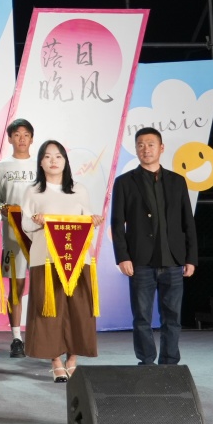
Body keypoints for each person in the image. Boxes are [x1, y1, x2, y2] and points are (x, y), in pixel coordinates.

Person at [110, 127, 198, 366]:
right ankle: (146, 362)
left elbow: (187, 222)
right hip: (140, 261)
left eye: (150, 144)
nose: (145, 149)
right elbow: (117, 224)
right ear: (135, 149)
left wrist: (191, 258)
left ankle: (169, 363)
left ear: (161, 148)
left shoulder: (177, 181)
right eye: (140, 145)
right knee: (142, 317)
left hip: (173, 259)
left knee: (173, 317)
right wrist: (122, 257)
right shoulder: (124, 182)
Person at [21, 141, 101, 382]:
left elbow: (86, 221)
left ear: (65, 161)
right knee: (50, 309)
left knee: (78, 309)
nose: (53, 161)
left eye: (58, 156)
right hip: (45, 259)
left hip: (77, 259)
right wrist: (37, 220)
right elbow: (25, 225)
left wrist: (93, 220)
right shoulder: (33, 191)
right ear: (40, 162)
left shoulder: (79, 190)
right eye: (47, 156)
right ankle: (55, 360)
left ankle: (72, 359)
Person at [0, 118, 37, 358]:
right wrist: (3, 209)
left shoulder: (41, 165)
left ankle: (41, 335)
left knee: (43, 284)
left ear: (32, 138)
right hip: (12, 236)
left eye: (26, 134)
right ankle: (16, 338)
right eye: (17, 135)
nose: (21, 139)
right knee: (17, 286)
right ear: (9, 138)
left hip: (39, 234)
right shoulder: (1, 167)